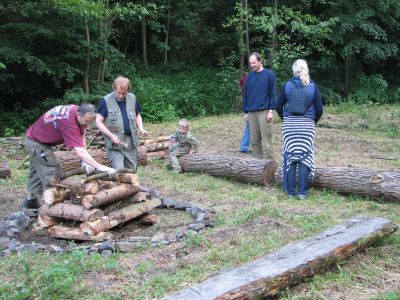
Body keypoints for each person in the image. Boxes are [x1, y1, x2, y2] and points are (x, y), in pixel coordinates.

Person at [23, 104, 116, 209]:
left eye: (90, 122)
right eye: (86, 121)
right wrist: (99, 166)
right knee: (52, 170)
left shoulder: (78, 111)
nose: (87, 125)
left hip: (39, 139)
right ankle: (53, 207)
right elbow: (79, 151)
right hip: (35, 142)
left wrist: (84, 161)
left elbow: (82, 135)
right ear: (78, 115)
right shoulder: (68, 122)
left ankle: (30, 200)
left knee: (36, 170)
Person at [275, 59, 324, 199]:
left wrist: (287, 120)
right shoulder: (313, 87)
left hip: (289, 125)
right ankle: (302, 193)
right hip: (307, 125)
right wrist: (312, 122)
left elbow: (278, 106)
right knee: (304, 157)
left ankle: (291, 192)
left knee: (290, 156)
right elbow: (320, 109)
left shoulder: (287, 85)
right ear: (306, 69)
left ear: (293, 70)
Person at [96, 76, 148, 172]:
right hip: (115, 142)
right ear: (114, 88)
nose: (120, 96)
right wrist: (110, 135)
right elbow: (98, 122)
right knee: (119, 171)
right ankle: (119, 186)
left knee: (132, 170)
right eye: (118, 93)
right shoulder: (105, 101)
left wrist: (140, 127)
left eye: (124, 93)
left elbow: (137, 115)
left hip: (130, 141)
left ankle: (131, 187)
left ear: (128, 90)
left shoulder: (132, 98)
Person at [242, 52, 277, 160]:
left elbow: (272, 93)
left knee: (266, 138)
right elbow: (246, 95)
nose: (252, 65)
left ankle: (271, 163)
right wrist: (246, 112)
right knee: (254, 140)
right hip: (251, 112)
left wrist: (271, 110)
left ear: (260, 61)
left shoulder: (269, 74)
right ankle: (258, 163)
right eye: (250, 63)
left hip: (264, 111)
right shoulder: (249, 77)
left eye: (254, 63)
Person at [238, 73, 251, 154]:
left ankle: (244, 147)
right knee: (249, 127)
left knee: (249, 127)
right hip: (251, 107)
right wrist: (247, 112)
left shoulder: (245, 80)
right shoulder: (248, 80)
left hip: (250, 107)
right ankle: (244, 147)